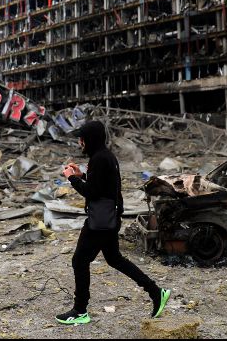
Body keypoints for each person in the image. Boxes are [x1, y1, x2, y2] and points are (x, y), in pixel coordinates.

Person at [55, 120, 171, 325]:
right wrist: (82, 174)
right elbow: (103, 186)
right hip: (109, 219)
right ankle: (156, 292)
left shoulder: (100, 159)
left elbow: (92, 192)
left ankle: (80, 311)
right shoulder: (104, 157)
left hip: (100, 223)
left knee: (79, 261)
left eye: (82, 139)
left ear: (90, 140)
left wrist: (72, 178)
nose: (80, 143)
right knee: (115, 259)